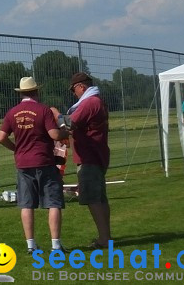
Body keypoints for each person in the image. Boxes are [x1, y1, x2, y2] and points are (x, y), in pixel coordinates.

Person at [0, 76, 67, 252]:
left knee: (26, 204)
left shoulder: (12, 112)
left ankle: (31, 245)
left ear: (21, 93)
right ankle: (56, 245)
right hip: (44, 161)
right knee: (53, 203)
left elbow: (1, 138)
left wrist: (16, 149)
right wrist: (65, 130)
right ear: (36, 91)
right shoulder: (43, 110)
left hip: (23, 163)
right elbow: (54, 135)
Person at [65, 71, 112, 249]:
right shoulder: (98, 101)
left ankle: (104, 239)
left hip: (89, 157)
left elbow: (68, 123)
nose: (73, 93)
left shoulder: (89, 103)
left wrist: (54, 115)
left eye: (73, 90)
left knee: (93, 199)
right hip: (98, 154)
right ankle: (106, 235)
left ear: (81, 87)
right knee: (100, 199)